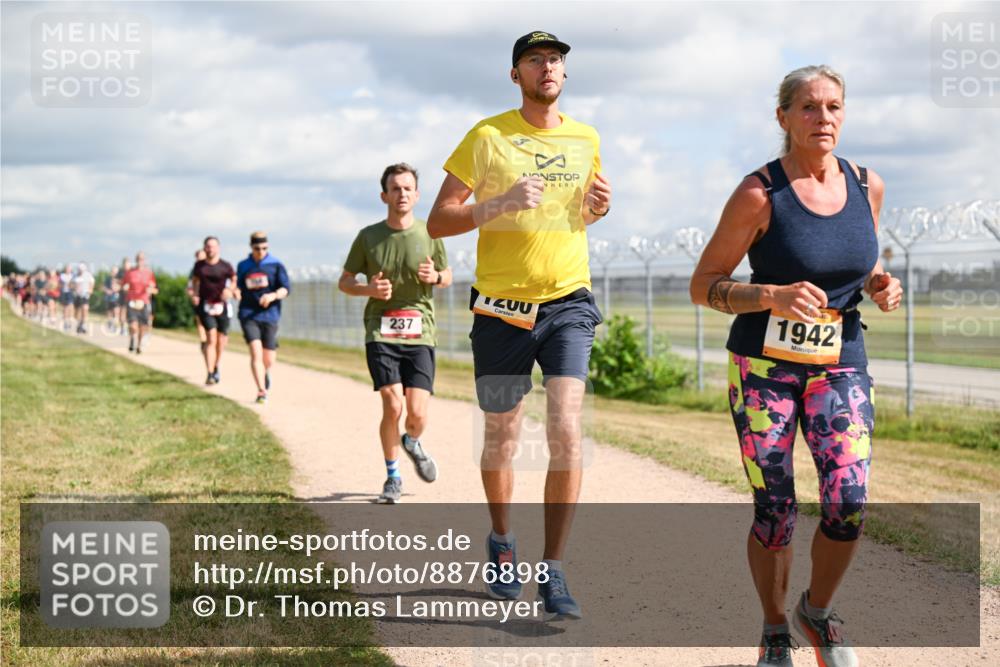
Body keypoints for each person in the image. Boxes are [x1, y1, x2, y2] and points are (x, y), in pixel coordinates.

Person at [690, 65, 903, 667]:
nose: (824, 119)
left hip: (840, 362)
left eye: (834, 107)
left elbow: (859, 267)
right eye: (809, 108)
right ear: (783, 117)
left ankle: (818, 608)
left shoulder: (868, 185)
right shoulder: (760, 193)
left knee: (849, 499)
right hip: (764, 367)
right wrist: (769, 296)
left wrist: (882, 283)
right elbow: (703, 285)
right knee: (775, 508)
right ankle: (775, 627)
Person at [427, 31, 611, 620]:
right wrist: (498, 203)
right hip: (500, 310)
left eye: (555, 59)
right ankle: (503, 541)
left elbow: (579, 213)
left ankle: (553, 567)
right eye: (535, 59)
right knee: (503, 437)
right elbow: (437, 221)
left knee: (566, 427)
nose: (548, 67)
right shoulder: (487, 136)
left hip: (567, 303)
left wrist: (596, 208)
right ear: (516, 75)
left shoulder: (586, 138)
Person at [340, 163, 451, 504]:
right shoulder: (368, 236)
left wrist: (434, 277)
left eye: (407, 188)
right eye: (395, 188)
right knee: (392, 403)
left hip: (420, 333)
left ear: (416, 195)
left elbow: (447, 276)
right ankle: (392, 477)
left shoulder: (430, 233)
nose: (401, 193)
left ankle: (413, 442)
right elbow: (345, 282)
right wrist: (369, 290)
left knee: (416, 413)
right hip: (381, 330)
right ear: (384, 195)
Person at [236, 231, 291, 404]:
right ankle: (261, 391)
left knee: (269, 358)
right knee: (255, 352)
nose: (261, 251)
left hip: (270, 315)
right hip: (248, 314)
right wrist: (235, 293)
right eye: (257, 248)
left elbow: (285, 289)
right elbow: (238, 286)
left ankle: (266, 373)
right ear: (251, 247)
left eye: (264, 248)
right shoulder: (243, 265)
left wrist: (272, 296)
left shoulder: (275, 265)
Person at [191, 236, 238, 385]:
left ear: (218, 248)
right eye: (208, 246)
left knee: (221, 340)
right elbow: (195, 281)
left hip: (222, 306)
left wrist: (230, 290)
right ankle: (210, 372)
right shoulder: (199, 266)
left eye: (213, 246)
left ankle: (216, 365)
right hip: (206, 305)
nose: (210, 249)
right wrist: (195, 294)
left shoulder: (225, 266)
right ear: (205, 248)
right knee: (211, 337)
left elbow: (235, 280)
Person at [122, 252, 158, 354]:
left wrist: (151, 289)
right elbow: (124, 284)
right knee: (133, 325)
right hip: (132, 301)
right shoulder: (130, 272)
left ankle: (138, 345)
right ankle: (132, 338)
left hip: (144, 301)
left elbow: (153, 286)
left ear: (144, 260)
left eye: (142, 259)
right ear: (136, 260)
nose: (140, 261)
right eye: (138, 259)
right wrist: (125, 288)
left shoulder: (149, 273)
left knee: (143, 326)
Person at [187, 249, 209, 356]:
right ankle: (203, 340)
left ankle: (209, 340)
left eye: (201, 256)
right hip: (199, 298)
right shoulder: (195, 270)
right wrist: (192, 294)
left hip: (211, 299)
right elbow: (190, 285)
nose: (199, 258)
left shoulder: (211, 267)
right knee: (200, 320)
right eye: (197, 257)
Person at [72, 262, 95, 334]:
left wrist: (90, 290)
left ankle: (83, 325)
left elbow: (92, 283)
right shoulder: (75, 276)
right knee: (77, 312)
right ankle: (79, 324)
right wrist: (75, 288)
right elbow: (71, 284)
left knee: (85, 309)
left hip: (85, 295)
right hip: (77, 296)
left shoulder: (88, 275)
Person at [103, 266, 122, 333]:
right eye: (113, 271)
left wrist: (116, 289)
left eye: (115, 272)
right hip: (108, 298)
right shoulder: (108, 279)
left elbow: (121, 287)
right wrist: (107, 291)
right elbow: (104, 287)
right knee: (109, 312)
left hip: (116, 298)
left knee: (116, 312)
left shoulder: (119, 280)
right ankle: (110, 324)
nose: (114, 273)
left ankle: (115, 326)